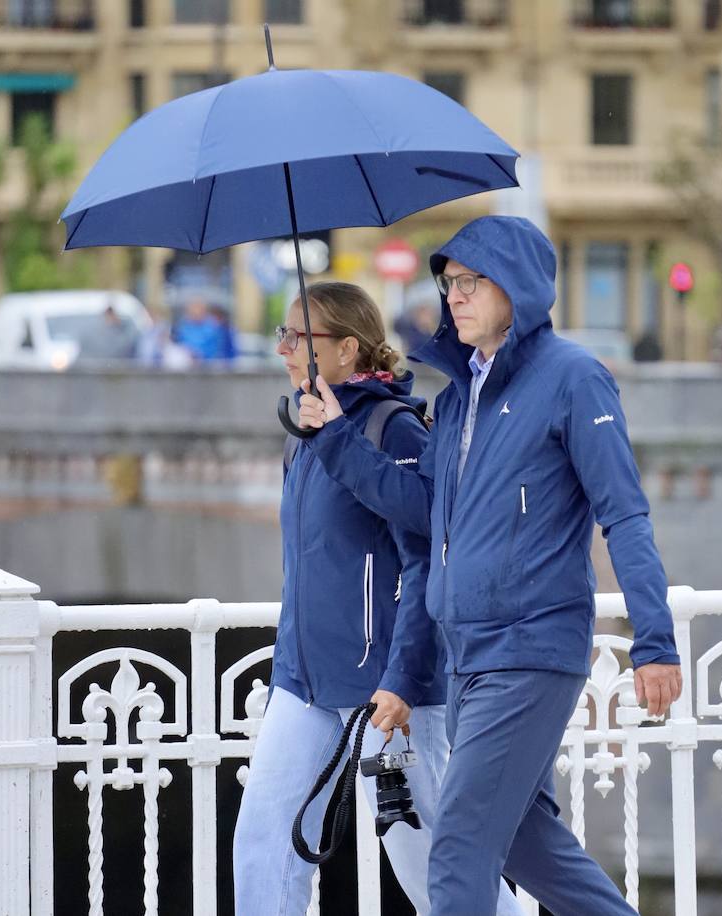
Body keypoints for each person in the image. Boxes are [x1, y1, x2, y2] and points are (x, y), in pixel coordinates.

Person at [296, 216, 682, 915]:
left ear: (520, 288)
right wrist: (335, 437)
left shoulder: (574, 378)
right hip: (467, 653)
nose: (455, 297)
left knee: (458, 851)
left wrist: (654, 641)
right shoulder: (455, 399)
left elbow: (622, 513)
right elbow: (419, 512)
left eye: (471, 282)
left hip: (531, 647)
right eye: (448, 284)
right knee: (529, 846)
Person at [232, 281, 519, 916]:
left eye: (298, 336)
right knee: (262, 840)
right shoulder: (301, 433)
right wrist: (290, 662)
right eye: (282, 335)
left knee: (428, 861)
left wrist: (404, 676)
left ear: (347, 350)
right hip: (303, 679)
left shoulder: (395, 431)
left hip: (386, 688)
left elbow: (425, 560)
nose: (283, 348)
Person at [174, 294, 237, 362]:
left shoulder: (214, 326)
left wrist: (199, 355)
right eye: (193, 309)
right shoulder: (183, 327)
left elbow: (217, 348)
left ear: (204, 310)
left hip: (209, 364)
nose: (196, 312)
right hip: (187, 363)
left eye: (198, 308)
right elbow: (179, 345)